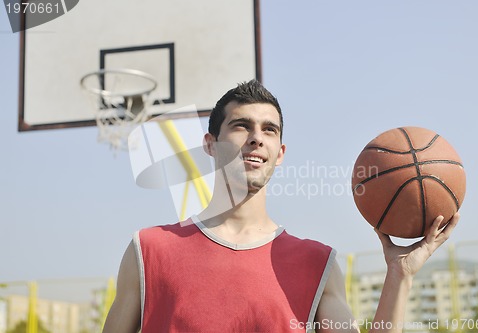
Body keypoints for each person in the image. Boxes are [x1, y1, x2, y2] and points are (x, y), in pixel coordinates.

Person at [102, 80, 459, 333]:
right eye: (241, 126)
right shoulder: (148, 251)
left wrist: (399, 275)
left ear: (280, 154)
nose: (257, 137)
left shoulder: (317, 264)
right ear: (210, 145)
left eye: (269, 130)